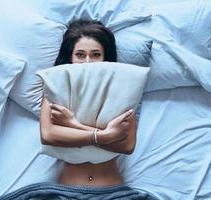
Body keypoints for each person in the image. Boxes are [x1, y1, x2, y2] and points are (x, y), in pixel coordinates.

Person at [38, 19, 157, 199]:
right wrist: (105, 135)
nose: (88, 62)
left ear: (105, 57)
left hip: (113, 192)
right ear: (70, 57)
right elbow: (48, 135)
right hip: (69, 193)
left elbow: (127, 145)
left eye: (95, 54)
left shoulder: (122, 88)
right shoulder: (56, 87)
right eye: (80, 54)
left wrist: (72, 124)